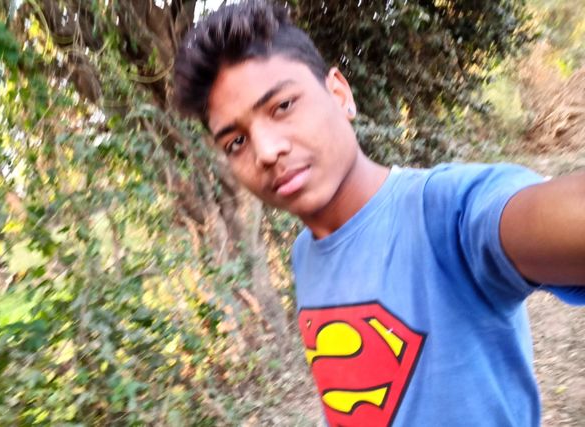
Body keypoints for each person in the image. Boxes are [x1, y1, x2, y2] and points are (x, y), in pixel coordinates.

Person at [173, 1, 585, 425]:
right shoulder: (305, 254)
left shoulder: (445, 212)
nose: (265, 150)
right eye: (236, 142)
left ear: (339, 95)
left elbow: (534, 215)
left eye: (282, 106)